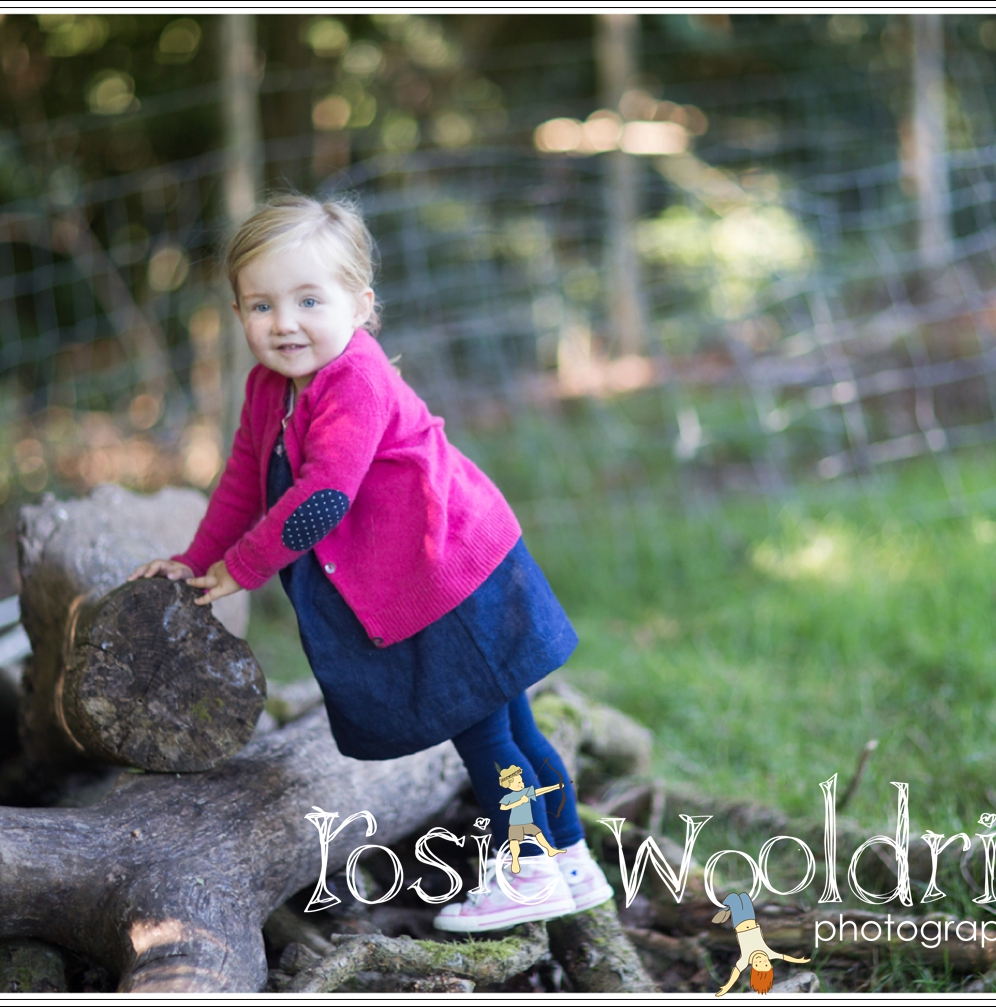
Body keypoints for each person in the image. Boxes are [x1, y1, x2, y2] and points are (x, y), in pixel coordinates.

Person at [129, 194, 613, 932]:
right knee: (511, 723)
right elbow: (243, 481)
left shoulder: (354, 378)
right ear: (238, 313)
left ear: (360, 305)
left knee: (487, 733)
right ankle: (571, 859)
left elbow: (324, 496)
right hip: (438, 571)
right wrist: (197, 559)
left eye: (308, 300)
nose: (284, 322)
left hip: (452, 575)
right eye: (262, 305)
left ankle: (529, 867)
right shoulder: (268, 389)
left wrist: (245, 566)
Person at [711, 892, 811, 995]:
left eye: (757, 964)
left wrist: (726, 988)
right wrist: (798, 960)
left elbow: (736, 973)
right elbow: (784, 957)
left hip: (739, 923)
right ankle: (726, 910)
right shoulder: (768, 953)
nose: (760, 960)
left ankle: (725, 910)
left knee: (733, 898)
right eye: (765, 963)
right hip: (751, 920)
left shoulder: (745, 958)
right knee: (745, 897)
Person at [496, 764, 565, 874]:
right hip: (515, 824)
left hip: (527, 822)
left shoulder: (525, 792)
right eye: (518, 782)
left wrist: (555, 787)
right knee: (514, 842)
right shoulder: (508, 797)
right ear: (510, 785)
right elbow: (503, 807)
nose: (522, 784)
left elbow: (539, 791)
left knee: (538, 833)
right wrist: (519, 801)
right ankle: (515, 860)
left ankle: (549, 849)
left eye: (521, 781)